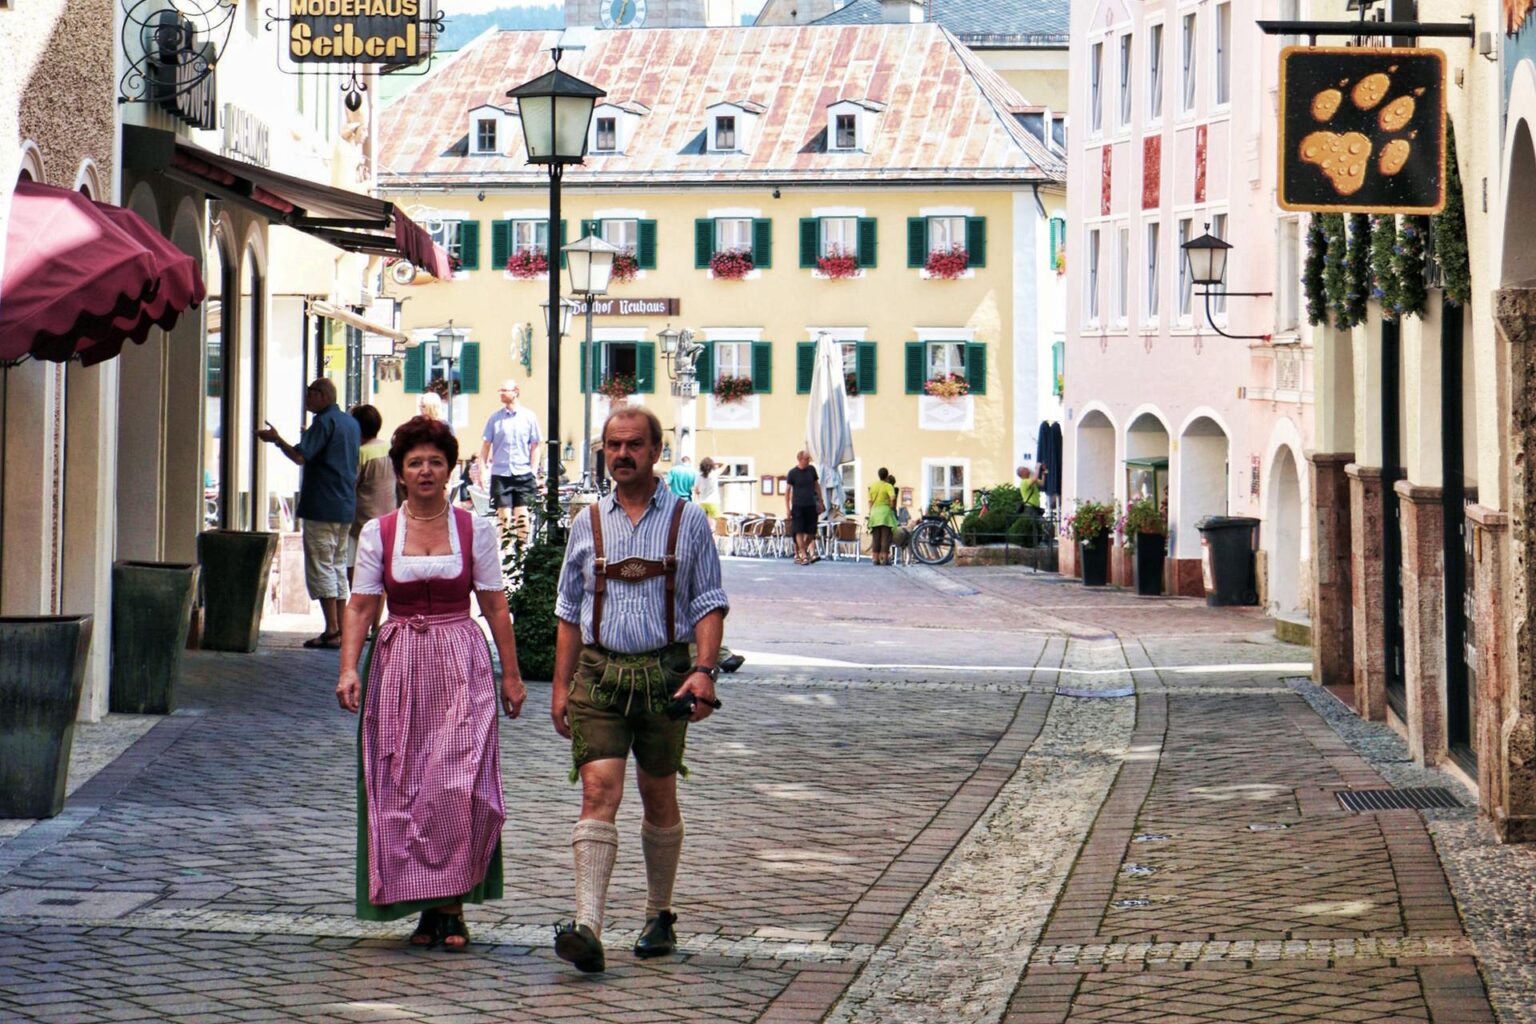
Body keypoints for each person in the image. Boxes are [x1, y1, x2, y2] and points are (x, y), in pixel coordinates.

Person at [336, 415, 526, 951]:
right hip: (398, 665)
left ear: (449, 470)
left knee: (456, 784)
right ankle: (428, 910)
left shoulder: (474, 529)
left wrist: (510, 675)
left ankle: (453, 906)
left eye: (435, 462)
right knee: (403, 784)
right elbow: (361, 604)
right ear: (398, 472)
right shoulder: (380, 532)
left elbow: (493, 604)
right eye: (415, 462)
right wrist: (349, 667)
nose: (425, 470)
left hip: (460, 663)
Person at [550, 406, 728, 973]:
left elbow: (707, 602)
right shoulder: (588, 523)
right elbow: (568, 613)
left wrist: (704, 670)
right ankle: (588, 927)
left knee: (657, 797)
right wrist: (560, 687)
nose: (622, 454)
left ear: (656, 451)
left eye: (633, 445)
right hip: (600, 676)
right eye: (612, 445)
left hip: (665, 678)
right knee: (599, 792)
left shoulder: (687, 519)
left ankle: (658, 913)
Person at [258, 379, 360, 649]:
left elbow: (300, 457)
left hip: (322, 504)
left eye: (310, 394)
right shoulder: (350, 424)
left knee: (321, 566)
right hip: (345, 505)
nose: (306, 399)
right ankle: (340, 628)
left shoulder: (324, 422)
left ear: (323, 395)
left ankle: (332, 629)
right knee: (337, 565)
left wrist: (277, 440)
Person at [480, 380, 542, 540]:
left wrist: (533, 471)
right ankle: (507, 552)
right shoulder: (495, 418)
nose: (501, 393)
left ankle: (522, 551)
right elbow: (486, 445)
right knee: (504, 516)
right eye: (500, 390)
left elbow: (536, 445)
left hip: (522, 472)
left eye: (504, 390)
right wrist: (483, 469)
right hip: (501, 473)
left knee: (522, 515)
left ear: (515, 391)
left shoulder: (528, 417)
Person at [348, 405, 399, 586]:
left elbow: (351, 485)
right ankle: (376, 614)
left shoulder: (360, 453)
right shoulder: (390, 449)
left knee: (356, 571)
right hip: (387, 518)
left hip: (362, 520)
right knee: (381, 574)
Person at [785, 450, 824, 565]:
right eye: (807, 459)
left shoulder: (811, 470)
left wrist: (820, 501)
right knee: (798, 530)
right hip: (797, 505)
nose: (809, 461)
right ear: (800, 459)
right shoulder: (792, 473)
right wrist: (787, 508)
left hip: (811, 505)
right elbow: (787, 491)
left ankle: (803, 552)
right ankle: (804, 554)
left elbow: (817, 485)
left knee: (812, 531)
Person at [868, 467, 899, 566]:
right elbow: (893, 498)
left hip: (874, 513)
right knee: (885, 537)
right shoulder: (888, 486)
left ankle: (875, 559)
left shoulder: (873, 486)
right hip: (885, 513)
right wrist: (891, 506)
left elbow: (869, 501)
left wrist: (871, 511)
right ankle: (884, 559)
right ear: (886, 475)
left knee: (876, 537)